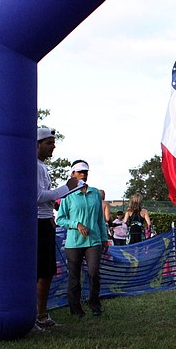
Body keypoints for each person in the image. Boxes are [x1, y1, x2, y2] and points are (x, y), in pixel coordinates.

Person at [35, 126, 79, 331]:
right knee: (44, 272)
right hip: (38, 224)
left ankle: (40, 314)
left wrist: (53, 212)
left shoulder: (41, 166)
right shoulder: (35, 166)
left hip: (44, 222)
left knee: (46, 271)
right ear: (37, 145)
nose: (53, 147)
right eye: (49, 143)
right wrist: (66, 188)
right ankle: (39, 316)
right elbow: (37, 197)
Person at [56, 160, 109, 317]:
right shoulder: (68, 195)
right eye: (79, 172)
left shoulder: (95, 194)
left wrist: (104, 238)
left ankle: (95, 304)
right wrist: (76, 224)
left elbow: (100, 219)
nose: (83, 175)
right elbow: (60, 219)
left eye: (85, 172)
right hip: (74, 243)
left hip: (94, 241)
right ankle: (76, 309)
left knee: (94, 273)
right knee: (74, 277)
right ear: (73, 174)